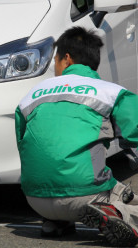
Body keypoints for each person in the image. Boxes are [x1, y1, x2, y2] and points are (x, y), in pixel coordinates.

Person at [15, 26, 138, 247]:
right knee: (128, 198)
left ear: (67, 59)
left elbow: (23, 142)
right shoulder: (110, 92)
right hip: (86, 196)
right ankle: (116, 213)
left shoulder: (31, 95)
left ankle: (55, 222)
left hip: (34, 198)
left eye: (55, 61)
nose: (54, 66)